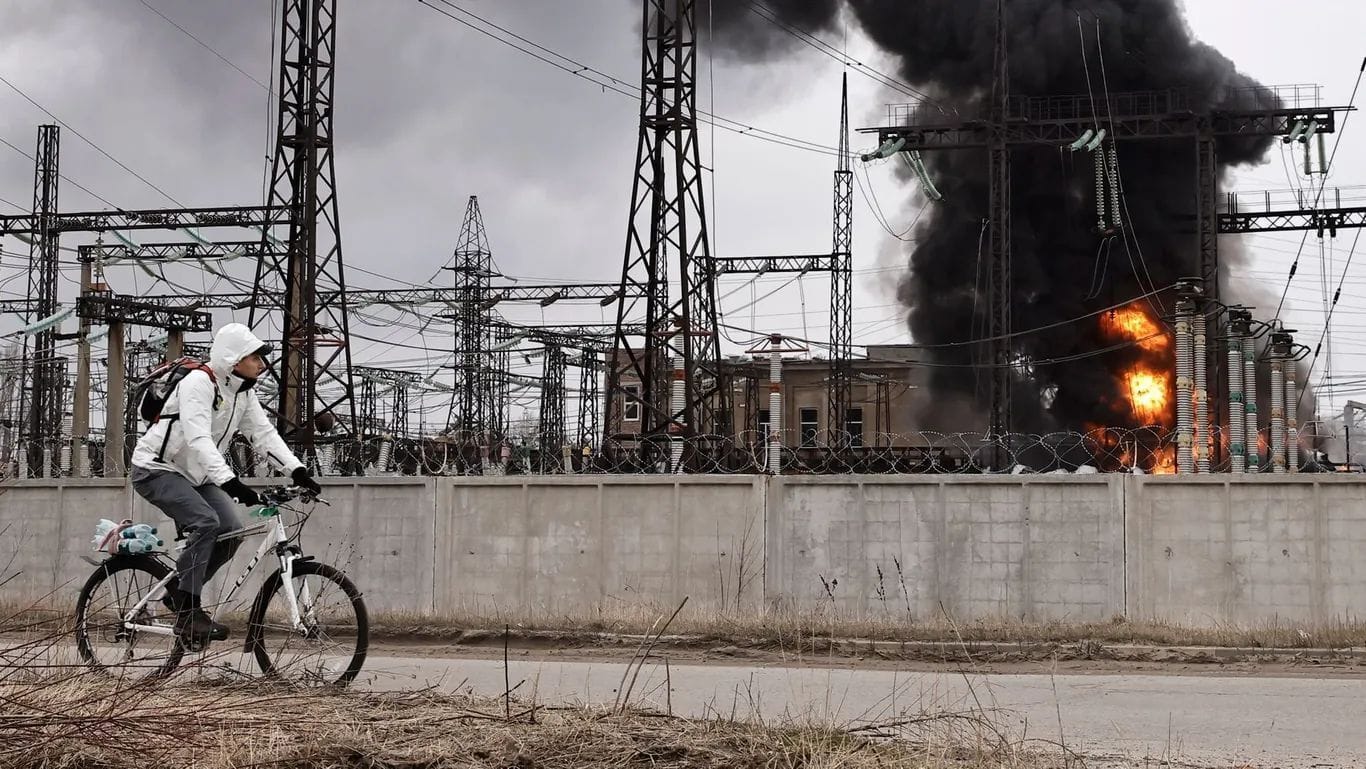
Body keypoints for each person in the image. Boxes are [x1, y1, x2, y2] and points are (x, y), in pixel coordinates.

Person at [130, 323, 322, 647]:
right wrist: (232, 484)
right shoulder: (199, 384)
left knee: (230, 530)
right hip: (156, 468)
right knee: (206, 522)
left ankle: (179, 593)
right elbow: (199, 439)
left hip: (196, 475)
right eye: (255, 356)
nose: (262, 363)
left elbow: (263, 435)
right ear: (234, 359)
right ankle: (190, 610)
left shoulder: (242, 392)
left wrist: (297, 470)